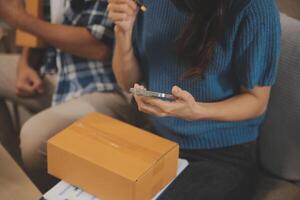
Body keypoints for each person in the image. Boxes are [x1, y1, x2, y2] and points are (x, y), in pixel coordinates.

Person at [107, 0, 281, 199]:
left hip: (221, 153)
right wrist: (123, 32)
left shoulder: (256, 7)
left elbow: (257, 101)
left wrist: (198, 111)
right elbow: (128, 81)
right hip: (157, 139)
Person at [0, 0, 136, 191]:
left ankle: (42, 190)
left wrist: (20, 19)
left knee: (33, 140)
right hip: (56, 69)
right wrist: (26, 63)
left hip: (102, 84)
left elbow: (98, 47)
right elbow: (39, 14)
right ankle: (14, 174)